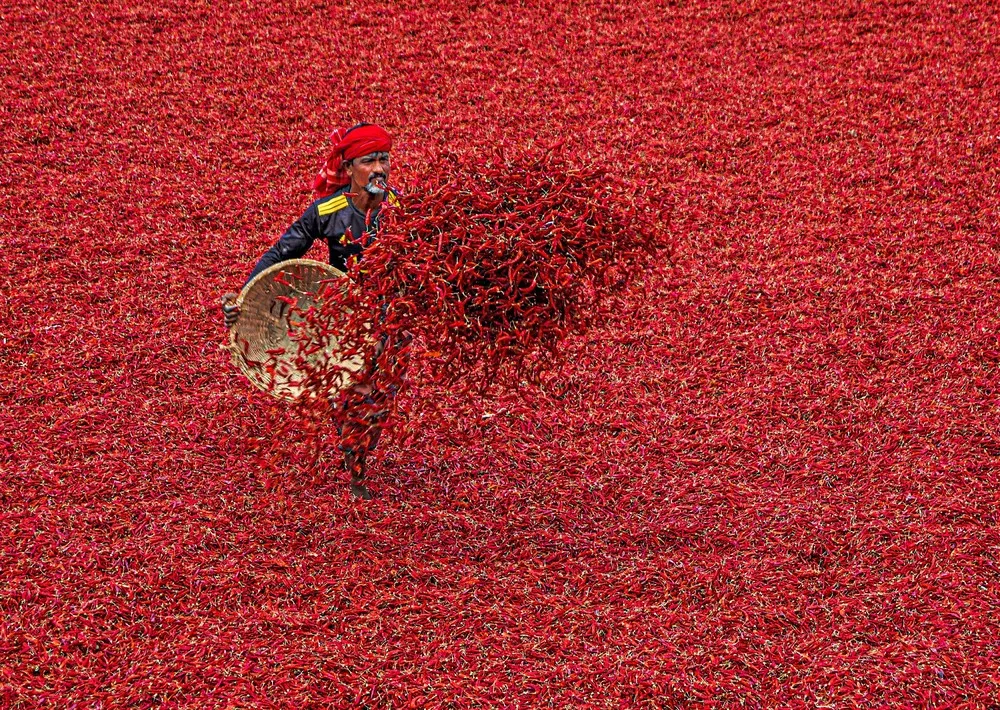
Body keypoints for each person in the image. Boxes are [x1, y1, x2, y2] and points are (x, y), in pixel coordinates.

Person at [221, 123, 397, 500]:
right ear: (349, 168)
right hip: (345, 318)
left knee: (380, 400)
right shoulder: (328, 211)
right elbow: (281, 253)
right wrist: (245, 296)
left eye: (384, 159)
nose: (379, 169)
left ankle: (359, 445)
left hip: (391, 316)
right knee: (352, 396)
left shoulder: (402, 209)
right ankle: (356, 468)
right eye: (368, 161)